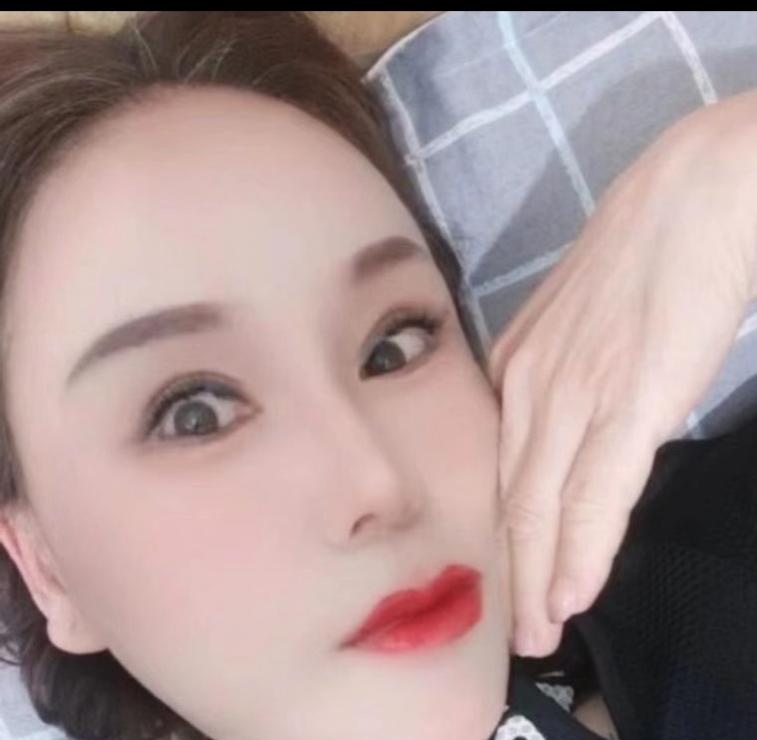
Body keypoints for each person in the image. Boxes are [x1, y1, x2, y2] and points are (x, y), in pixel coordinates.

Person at [0, 10, 756, 740]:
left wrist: (724, 174)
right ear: (46, 570)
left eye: (393, 346)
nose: (379, 485)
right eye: (193, 413)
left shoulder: (709, 566)